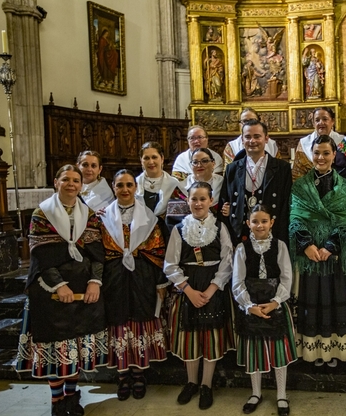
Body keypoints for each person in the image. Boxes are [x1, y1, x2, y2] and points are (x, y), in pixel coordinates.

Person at [16, 165, 106, 416]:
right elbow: (41, 256)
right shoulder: (41, 214)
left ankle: (71, 397)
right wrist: (59, 285)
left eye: (76, 180)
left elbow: (97, 253)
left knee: (74, 348)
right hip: (49, 291)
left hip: (82, 290)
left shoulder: (88, 214)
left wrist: (94, 282)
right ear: (56, 182)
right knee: (55, 349)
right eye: (65, 179)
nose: (71, 184)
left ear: (81, 185)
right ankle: (57, 401)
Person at [290, 135, 346, 366]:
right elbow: (295, 217)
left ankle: (336, 349)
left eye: (326, 153)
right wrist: (306, 245)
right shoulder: (300, 185)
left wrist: (330, 246)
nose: (321, 157)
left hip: (337, 252)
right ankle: (313, 351)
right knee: (311, 297)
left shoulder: (344, 185)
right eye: (317, 153)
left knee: (335, 296)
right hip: (308, 252)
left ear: (334, 155)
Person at [164, 181, 235, 409]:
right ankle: (192, 382)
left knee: (211, 339)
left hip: (212, 288)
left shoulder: (220, 227)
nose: (198, 203)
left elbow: (228, 260)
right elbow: (170, 264)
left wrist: (213, 288)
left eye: (203, 199)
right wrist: (188, 290)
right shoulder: (179, 229)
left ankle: (206, 385)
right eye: (194, 199)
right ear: (188, 201)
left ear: (211, 201)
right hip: (189, 289)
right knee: (189, 340)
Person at [99, 169, 168, 401]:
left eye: (129, 185)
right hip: (114, 277)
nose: (125, 189)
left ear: (135, 188)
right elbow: (99, 251)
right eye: (120, 185)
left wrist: (159, 281)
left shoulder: (149, 217)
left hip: (142, 276)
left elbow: (159, 251)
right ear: (113, 187)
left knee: (139, 320)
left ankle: (139, 374)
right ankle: (121, 375)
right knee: (118, 322)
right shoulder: (102, 217)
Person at [232, 204, 297, 416]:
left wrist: (276, 301)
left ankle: (281, 394)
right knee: (254, 352)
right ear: (248, 224)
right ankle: (256, 393)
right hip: (251, 305)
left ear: (272, 223)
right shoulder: (242, 249)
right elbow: (237, 282)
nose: (259, 225)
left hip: (274, 304)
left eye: (264, 221)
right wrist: (249, 306)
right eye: (255, 221)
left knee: (278, 351)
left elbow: (287, 278)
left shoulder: (280, 246)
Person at [220, 119, 292, 246]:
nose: (252, 141)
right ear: (242, 140)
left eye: (257, 136)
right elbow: (225, 202)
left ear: (266, 138)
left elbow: (285, 206)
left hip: (272, 235)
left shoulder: (282, 168)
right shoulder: (232, 169)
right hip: (241, 236)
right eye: (247, 137)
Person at [167, 148, 227, 228]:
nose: (199, 165)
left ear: (213, 164)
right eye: (195, 162)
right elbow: (172, 219)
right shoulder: (180, 189)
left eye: (204, 161)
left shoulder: (224, 184)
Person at [136, 142, 184, 239]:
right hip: (139, 235)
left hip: (166, 236)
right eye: (146, 158)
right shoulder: (134, 184)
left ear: (162, 158)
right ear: (141, 160)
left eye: (154, 157)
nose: (151, 162)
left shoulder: (174, 185)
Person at [291, 107, 344, 181]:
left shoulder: (342, 142)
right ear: (313, 123)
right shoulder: (304, 143)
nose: (321, 122)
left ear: (332, 121)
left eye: (325, 119)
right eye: (317, 120)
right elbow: (297, 173)